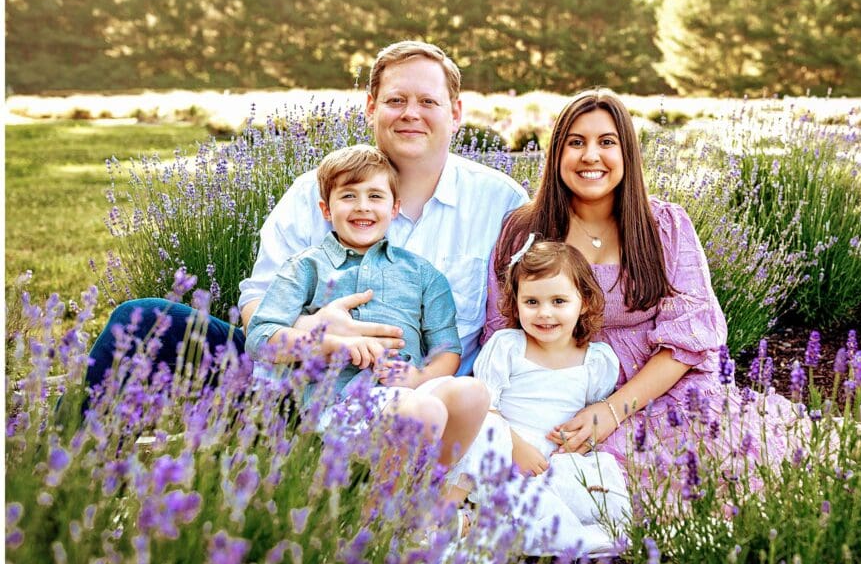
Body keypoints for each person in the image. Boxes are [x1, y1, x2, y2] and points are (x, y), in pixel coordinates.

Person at [84, 40, 529, 414]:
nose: (411, 113)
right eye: (396, 100)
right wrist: (314, 329)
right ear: (372, 107)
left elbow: (533, 315)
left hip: (412, 406)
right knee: (141, 319)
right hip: (287, 385)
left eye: (428, 101)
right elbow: (256, 304)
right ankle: (69, 467)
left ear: (455, 112)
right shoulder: (311, 191)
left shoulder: (500, 203)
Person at [484, 88, 820, 495]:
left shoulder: (664, 226)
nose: (591, 156)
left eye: (606, 142)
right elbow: (500, 328)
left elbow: (689, 336)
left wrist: (611, 411)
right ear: (557, 154)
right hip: (552, 395)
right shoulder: (525, 231)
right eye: (576, 143)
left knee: (717, 463)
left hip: (655, 393)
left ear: (627, 153)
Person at [247, 144, 487, 458]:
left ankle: (430, 494)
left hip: (409, 387)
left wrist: (421, 377)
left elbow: (447, 349)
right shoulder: (305, 267)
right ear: (326, 210)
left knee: (472, 393)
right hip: (340, 403)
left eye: (375, 196)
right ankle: (387, 503)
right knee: (422, 411)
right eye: (348, 196)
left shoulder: (422, 273)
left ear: (394, 208)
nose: (363, 206)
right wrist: (331, 344)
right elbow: (259, 338)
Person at [445, 238, 631, 555]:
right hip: (504, 443)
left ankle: (483, 524)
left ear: (584, 301)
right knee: (483, 435)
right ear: (516, 302)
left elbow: (589, 415)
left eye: (558, 301)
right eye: (532, 302)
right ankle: (443, 510)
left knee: (555, 504)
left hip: (549, 461)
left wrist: (571, 444)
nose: (545, 313)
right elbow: (485, 406)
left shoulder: (596, 360)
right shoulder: (509, 346)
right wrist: (516, 446)